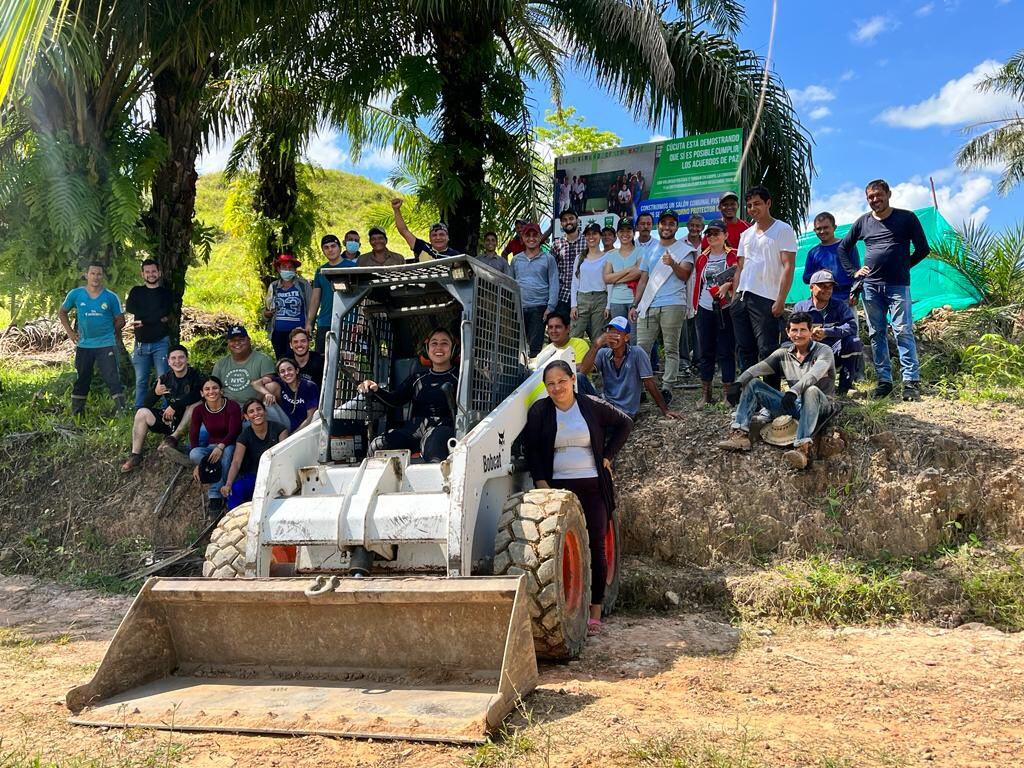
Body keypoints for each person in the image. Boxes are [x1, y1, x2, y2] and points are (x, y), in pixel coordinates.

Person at [523, 359, 634, 632]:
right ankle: (568, 605)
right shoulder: (540, 411)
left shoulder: (591, 406)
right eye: (550, 384)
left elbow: (625, 423)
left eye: (562, 381)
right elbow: (532, 448)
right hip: (557, 490)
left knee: (596, 544)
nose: (557, 388)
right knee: (557, 549)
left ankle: (595, 608)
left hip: (593, 486)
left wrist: (608, 456)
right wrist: (541, 482)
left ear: (573, 379)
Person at [837, 179, 929, 401]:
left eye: (878, 195)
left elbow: (923, 249)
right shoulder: (863, 222)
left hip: (898, 286)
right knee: (876, 333)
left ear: (888, 194)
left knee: (902, 330)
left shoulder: (906, 218)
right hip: (870, 287)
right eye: (870, 197)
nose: (875, 199)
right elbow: (843, 248)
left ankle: (910, 383)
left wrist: (904, 265)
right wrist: (854, 272)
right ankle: (884, 382)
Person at [718, 312, 835, 470]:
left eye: (803, 330)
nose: (798, 334)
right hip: (795, 405)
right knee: (753, 384)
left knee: (811, 390)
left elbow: (814, 374)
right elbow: (758, 368)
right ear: (788, 332)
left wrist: (794, 391)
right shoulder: (784, 354)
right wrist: (738, 383)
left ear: (810, 331)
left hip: (822, 407)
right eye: (794, 330)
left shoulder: (824, 351)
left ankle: (802, 448)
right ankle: (740, 434)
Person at [358, 327, 459, 462]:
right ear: (426, 349)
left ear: (453, 349)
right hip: (413, 429)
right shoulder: (417, 378)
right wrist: (375, 389)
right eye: (434, 343)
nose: (438, 347)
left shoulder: (460, 377)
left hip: (443, 429)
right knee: (378, 445)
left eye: (444, 343)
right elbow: (395, 399)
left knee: (433, 446)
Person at [731, 186, 797, 391]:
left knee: (768, 351)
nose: (753, 208)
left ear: (768, 203)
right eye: (749, 205)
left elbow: (788, 266)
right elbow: (740, 267)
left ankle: (772, 398)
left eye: (757, 204)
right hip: (742, 297)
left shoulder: (782, 229)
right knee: (745, 351)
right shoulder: (746, 234)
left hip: (766, 298)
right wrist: (734, 298)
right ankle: (750, 396)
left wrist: (781, 299)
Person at [628, 210, 695, 390]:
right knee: (641, 349)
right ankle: (640, 387)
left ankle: (667, 387)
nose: (667, 227)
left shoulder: (684, 250)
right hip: (649, 304)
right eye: (664, 223)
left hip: (673, 303)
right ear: (658, 226)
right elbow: (643, 280)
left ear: (677, 227)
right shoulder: (649, 250)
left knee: (671, 349)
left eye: (671, 224)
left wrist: (672, 263)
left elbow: (685, 275)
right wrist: (635, 305)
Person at [120, 344, 204, 472]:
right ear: (168, 361)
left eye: (181, 357)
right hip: (170, 420)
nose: (177, 361)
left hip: (192, 420)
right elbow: (146, 404)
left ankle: (172, 439)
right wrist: (155, 393)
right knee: (142, 413)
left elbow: (198, 395)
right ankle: (135, 456)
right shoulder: (165, 379)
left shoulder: (195, 375)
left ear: (187, 359)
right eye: (173, 358)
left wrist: (175, 405)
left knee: (196, 405)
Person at [579, 317, 682, 420]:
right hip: (606, 404)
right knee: (579, 378)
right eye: (610, 333)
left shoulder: (637, 353)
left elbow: (649, 383)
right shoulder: (603, 353)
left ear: (626, 337)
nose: (612, 337)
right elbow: (583, 371)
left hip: (624, 412)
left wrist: (665, 410)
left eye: (617, 334)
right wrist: (596, 345)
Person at [58, 262, 127, 417]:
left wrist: (109, 331)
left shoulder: (111, 297)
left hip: (106, 344)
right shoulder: (76, 294)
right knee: (82, 378)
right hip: (84, 345)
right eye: (93, 273)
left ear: (103, 276)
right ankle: (77, 413)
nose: (96, 277)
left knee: (112, 378)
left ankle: (121, 412)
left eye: (99, 274)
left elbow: (121, 320)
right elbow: (62, 312)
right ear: (86, 275)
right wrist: (70, 333)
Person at [792, 270, 863, 395]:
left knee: (854, 342)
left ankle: (844, 388)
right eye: (823, 286)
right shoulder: (801, 307)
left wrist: (827, 332)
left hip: (834, 353)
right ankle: (803, 384)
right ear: (811, 287)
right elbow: (792, 332)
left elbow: (852, 327)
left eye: (830, 287)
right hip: (809, 354)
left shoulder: (840, 306)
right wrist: (808, 336)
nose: (827, 290)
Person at [692, 219, 738, 404]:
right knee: (705, 350)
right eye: (709, 234)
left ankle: (728, 393)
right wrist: (695, 306)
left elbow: (741, 276)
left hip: (726, 308)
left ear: (725, 235)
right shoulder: (702, 258)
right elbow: (699, 282)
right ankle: (706, 393)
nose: (712, 237)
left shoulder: (734, 255)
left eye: (716, 233)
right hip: (705, 307)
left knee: (726, 350)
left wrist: (728, 285)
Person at [219, 399, 289, 509]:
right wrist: (228, 483)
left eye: (259, 409)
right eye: (251, 411)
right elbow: (236, 462)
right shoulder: (244, 436)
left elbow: (284, 456)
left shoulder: (279, 429)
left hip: (277, 474)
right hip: (254, 476)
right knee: (236, 489)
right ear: (246, 417)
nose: (256, 413)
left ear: (265, 411)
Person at [189, 376, 242, 514]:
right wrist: (199, 465)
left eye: (215, 388)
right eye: (207, 389)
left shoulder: (232, 406)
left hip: (231, 443)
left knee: (226, 454)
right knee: (194, 453)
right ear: (202, 393)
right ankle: (217, 478)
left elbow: (234, 431)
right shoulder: (199, 410)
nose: (211, 391)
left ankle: (215, 496)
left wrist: (221, 446)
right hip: (212, 446)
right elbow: (193, 434)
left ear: (221, 390)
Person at [125, 259, 172, 409]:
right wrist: (157, 318)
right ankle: (140, 410)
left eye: (153, 271)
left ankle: (166, 411)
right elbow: (130, 308)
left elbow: (165, 311)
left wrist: (143, 320)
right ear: (142, 274)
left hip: (161, 342)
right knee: (141, 380)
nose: (151, 274)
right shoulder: (136, 291)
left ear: (159, 273)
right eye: (147, 272)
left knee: (163, 379)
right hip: (141, 344)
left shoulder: (165, 293)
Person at [511, 222, 559, 356]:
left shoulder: (548, 259)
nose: (531, 238)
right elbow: (510, 284)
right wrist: (512, 306)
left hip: (539, 308)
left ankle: (533, 369)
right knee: (515, 348)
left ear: (540, 237)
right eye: (528, 235)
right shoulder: (516, 260)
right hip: (519, 308)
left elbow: (554, 283)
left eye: (535, 235)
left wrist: (550, 307)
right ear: (523, 238)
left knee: (534, 350)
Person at [263, 252, 312, 360]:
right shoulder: (274, 286)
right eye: (284, 267)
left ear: (295, 269)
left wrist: (309, 324)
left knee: (297, 360)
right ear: (278, 269)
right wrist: (266, 314)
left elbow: (311, 307)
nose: (287, 270)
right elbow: (267, 308)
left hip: (298, 333)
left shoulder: (303, 285)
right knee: (282, 361)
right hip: (278, 333)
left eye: (290, 267)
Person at [803, 212, 859, 302]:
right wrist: (820, 274)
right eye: (818, 229)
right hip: (821, 300)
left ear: (834, 227)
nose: (822, 231)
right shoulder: (813, 253)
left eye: (825, 227)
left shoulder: (847, 246)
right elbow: (806, 278)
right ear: (814, 230)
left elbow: (857, 272)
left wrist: (855, 293)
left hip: (845, 299)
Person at [253, 357, 319, 433]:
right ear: (279, 375)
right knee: (269, 387)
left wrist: (293, 436)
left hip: (303, 427)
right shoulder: (280, 382)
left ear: (297, 370)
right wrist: (267, 393)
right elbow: (256, 384)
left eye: (289, 369)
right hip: (284, 423)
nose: (286, 373)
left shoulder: (309, 386)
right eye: (282, 371)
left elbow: (310, 417)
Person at [570, 223, 609, 343]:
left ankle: (597, 356)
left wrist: (608, 306)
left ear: (600, 236)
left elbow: (610, 282)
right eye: (588, 234)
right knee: (575, 335)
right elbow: (575, 282)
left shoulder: (607, 257)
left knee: (598, 338)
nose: (591, 237)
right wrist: (573, 305)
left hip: (600, 298)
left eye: (594, 234)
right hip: (582, 299)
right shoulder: (579, 258)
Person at [309, 233, 348, 351]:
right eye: (326, 247)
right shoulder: (320, 271)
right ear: (323, 251)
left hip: (347, 321)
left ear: (340, 248)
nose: (330, 250)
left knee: (346, 357)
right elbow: (315, 299)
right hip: (325, 321)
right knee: (322, 357)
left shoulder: (352, 267)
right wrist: (309, 322)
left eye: (333, 246)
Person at [392, 198, 460, 260]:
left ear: (448, 237)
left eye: (441, 234)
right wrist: (396, 210)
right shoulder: (422, 247)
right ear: (430, 238)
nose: (438, 238)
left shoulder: (456, 256)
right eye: (434, 235)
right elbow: (404, 231)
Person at [550, 209, 586, 317]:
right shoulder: (556, 244)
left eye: (571, 219)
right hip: (562, 295)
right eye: (564, 220)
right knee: (562, 325)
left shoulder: (587, 242)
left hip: (583, 294)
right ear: (561, 224)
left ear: (577, 220)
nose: (568, 222)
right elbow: (552, 271)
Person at [604, 218, 641, 319]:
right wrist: (628, 270)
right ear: (617, 234)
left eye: (628, 230)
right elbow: (606, 279)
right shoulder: (611, 255)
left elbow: (638, 272)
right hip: (616, 301)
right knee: (618, 330)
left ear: (634, 233)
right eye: (621, 231)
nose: (625, 234)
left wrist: (614, 279)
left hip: (634, 301)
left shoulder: (641, 251)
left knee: (634, 330)